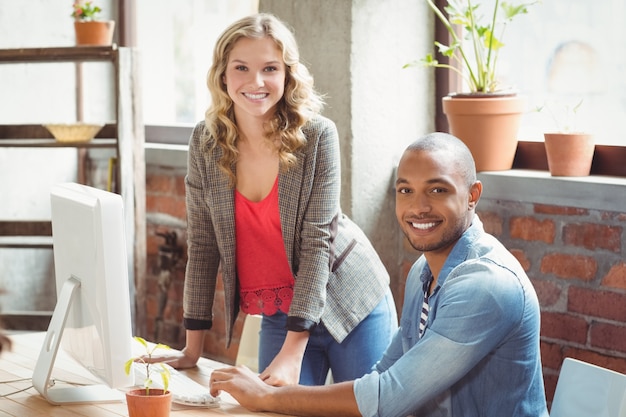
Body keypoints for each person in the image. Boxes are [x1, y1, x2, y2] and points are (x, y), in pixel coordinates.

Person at [209, 132, 550, 417]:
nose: (418, 207)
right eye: (406, 191)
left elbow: (389, 396)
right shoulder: (424, 271)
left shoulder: (485, 286)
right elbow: (383, 376)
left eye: (438, 190)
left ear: (473, 195)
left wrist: (266, 397)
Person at [155, 13, 397, 386]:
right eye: (241, 68)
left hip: (350, 304)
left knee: (370, 411)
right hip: (280, 311)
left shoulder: (318, 136)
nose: (256, 82)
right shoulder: (205, 143)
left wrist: (293, 351)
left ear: (287, 75)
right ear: (223, 75)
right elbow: (203, 246)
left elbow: (318, 244)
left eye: (270, 68)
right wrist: (192, 350)